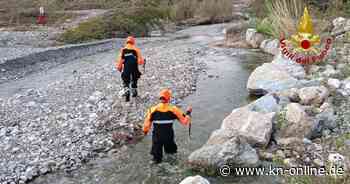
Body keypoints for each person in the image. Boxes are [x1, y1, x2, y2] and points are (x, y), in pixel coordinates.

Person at [143, 89, 192, 163]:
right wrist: (188, 113)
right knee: (171, 156)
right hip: (168, 136)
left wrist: (145, 132)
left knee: (156, 159)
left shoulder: (152, 110)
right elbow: (185, 122)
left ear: (160, 98)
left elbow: (146, 126)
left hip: (157, 137)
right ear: (169, 98)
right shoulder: (174, 109)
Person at [116, 36, 145, 102]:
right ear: (133, 42)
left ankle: (127, 93)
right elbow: (140, 62)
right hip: (134, 68)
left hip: (126, 69)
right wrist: (142, 61)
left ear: (127, 42)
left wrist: (119, 68)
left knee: (126, 80)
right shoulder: (136, 49)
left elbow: (120, 62)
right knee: (134, 79)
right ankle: (134, 92)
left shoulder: (123, 50)